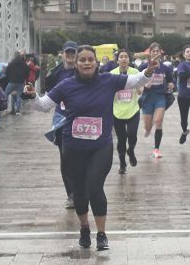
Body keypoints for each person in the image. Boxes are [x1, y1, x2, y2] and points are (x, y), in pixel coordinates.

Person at [33, 46, 158, 250]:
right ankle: (84, 227)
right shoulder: (66, 85)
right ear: (76, 64)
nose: (87, 63)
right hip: (73, 147)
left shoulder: (108, 80)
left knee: (94, 187)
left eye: (90, 59)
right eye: (82, 60)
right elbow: (42, 105)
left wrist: (149, 71)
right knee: (80, 191)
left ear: (96, 62)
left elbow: (137, 81)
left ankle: (101, 234)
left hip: (100, 146)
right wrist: (32, 96)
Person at [45, 41, 78, 207]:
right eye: (67, 52)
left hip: (81, 119)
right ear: (62, 54)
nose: (70, 55)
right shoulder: (54, 74)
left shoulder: (84, 71)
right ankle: (71, 194)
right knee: (65, 158)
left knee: (81, 157)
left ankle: (81, 190)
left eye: (73, 52)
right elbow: (48, 95)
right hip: (62, 119)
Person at [139, 41, 173, 159]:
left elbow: (170, 80)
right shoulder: (143, 67)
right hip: (147, 98)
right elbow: (137, 81)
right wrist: (144, 85)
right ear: (150, 53)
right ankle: (148, 129)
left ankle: (156, 149)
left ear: (160, 53)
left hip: (160, 97)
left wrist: (171, 84)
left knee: (158, 122)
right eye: (153, 51)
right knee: (148, 127)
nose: (155, 53)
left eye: (157, 51)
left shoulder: (165, 68)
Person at [110, 50, 142, 175]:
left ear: (129, 59)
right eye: (121, 57)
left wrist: (140, 89)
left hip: (133, 109)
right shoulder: (112, 74)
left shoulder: (135, 72)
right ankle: (122, 163)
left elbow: (140, 89)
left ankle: (131, 150)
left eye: (126, 57)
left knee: (132, 134)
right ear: (117, 60)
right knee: (121, 139)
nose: (123, 59)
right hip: (117, 111)